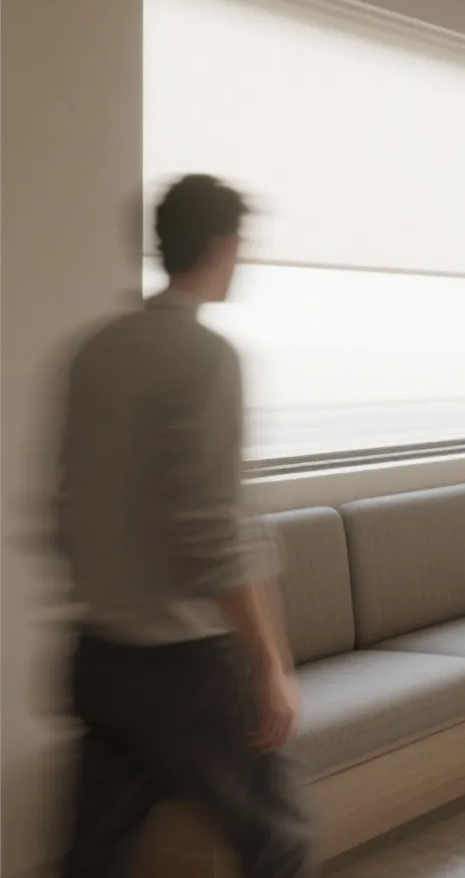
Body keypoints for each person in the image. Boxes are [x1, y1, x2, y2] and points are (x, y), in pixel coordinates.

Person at [54, 175, 312, 877]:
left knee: (94, 858)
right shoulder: (205, 357)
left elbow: (62, 509)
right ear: (224, 247)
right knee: (277, 842)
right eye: (243, 246)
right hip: (185, 668)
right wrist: (268, 665)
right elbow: (212, 534)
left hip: (98, 656)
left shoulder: (94, 349)